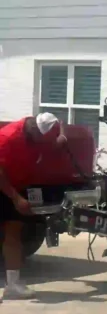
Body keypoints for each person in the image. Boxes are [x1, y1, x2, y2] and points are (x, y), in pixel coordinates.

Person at [0, 113, 67, 300]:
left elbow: (56, 143)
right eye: (40, 138)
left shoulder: (38, 136)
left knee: (13, 233)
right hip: (5, 184)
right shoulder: (8, 137)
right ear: (32, 128)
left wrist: (62, 132)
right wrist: (15, 198)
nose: (41, 142)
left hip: (15, 185)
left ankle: (12, 285)